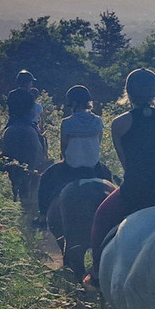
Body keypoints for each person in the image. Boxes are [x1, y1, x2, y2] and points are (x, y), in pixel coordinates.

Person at [85, 68, 155, 285]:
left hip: (136, 192)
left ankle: (97, 273)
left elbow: (126, 164)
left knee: (101, 217)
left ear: (128, 92)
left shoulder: (119, 123)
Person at [36, 85, 112, 221]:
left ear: (74, 103)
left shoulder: (67, 123)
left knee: (46, 178)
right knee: (110, 180)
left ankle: (42, 215)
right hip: (93, 167)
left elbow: (64, 147)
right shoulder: (97, 121)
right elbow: (98, 142)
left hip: (71, 167)